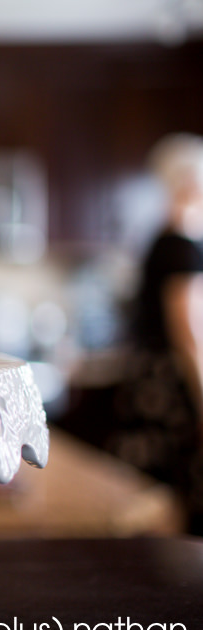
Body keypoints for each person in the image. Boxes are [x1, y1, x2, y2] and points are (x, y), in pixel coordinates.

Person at [117, 133, 203, 533]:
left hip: (149, 379)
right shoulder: (181, 247)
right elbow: (188, 331)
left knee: (157, 490)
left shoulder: (161, 240)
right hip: (167, 386)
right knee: (174, 491)